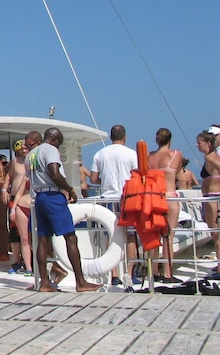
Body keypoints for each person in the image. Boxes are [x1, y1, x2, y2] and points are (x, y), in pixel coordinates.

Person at [28, 127, 99, 292]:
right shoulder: (50, 150)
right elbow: (54, 172)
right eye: (58, 143)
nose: (58, 147)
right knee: (70, 237)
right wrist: (70, 189)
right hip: (53, 196)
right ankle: (80, 282)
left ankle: (44, 282)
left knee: (43, 240)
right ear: (53, 139)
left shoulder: (31, 155)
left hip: (39, 197)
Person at [89, 124, 138, 283]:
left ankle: (114, 274)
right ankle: (130, 273)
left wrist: (106, 181)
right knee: (130, 236)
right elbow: (137, 177)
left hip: (107, 198)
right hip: (127, 198)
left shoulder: (99, 154)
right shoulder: (131, 154)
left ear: (110, 137)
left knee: (111, 235)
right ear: (124, 137)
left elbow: (93, 179)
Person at [148, 127, 184, 282]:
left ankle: (154, 271)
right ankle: (168, 273)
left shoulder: (149, 156)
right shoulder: (175, 154)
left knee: (154, 236)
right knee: (168, 237)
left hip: (154, 197)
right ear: (170, 140)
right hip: (169, 196)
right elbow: (179, 172)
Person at [8, 139, 33, 276]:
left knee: (34, 237)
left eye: (26, 148)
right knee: (19, 236)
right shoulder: (15, 163)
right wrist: (4, 190)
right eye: (22, 148)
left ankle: (35, 265)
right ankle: (22, 264)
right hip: (18, 203)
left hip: (33, 203)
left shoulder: (34, 166)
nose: (24, 150)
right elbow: (8, 177)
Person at [196, 130, 220, 275]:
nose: (197, 145)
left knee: (215, 233)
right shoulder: (210, 157)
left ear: (208, 144)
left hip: (213, 197)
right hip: (211, 196)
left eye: (200, 143)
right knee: (215, 233)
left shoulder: (211, 157)